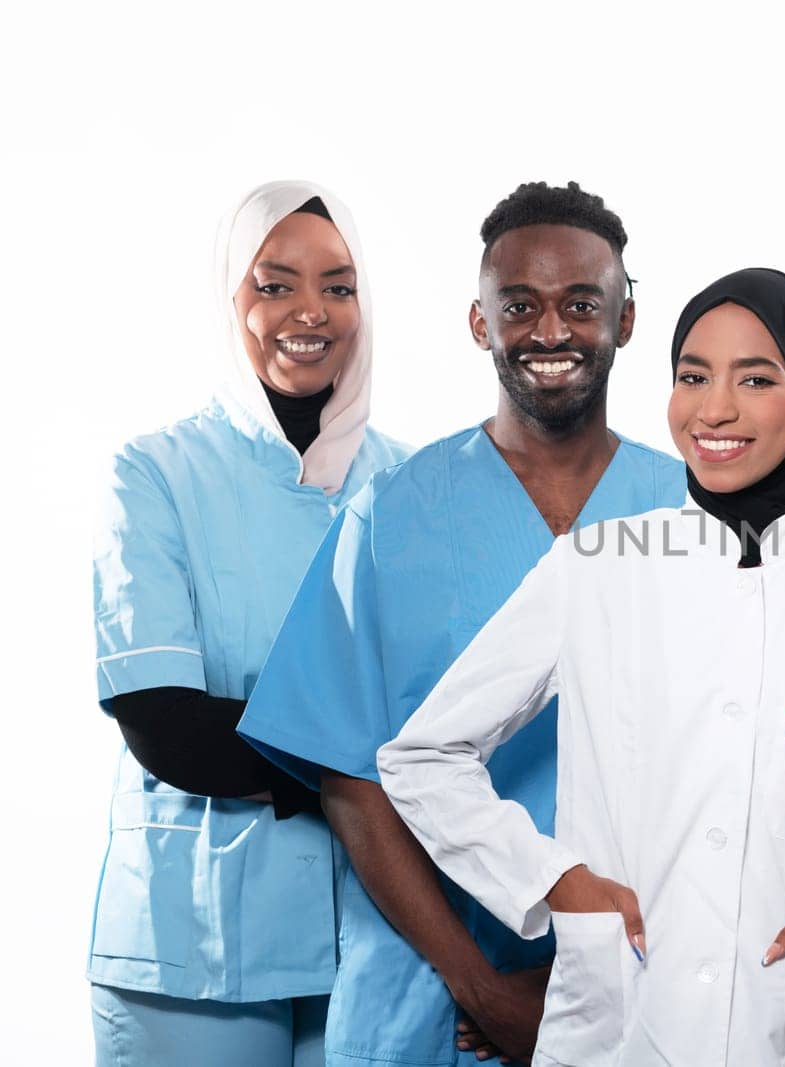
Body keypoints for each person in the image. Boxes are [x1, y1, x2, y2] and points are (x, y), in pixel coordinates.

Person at [376, 267, 785, 1067]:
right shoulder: (595, 569)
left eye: (756, 378)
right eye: (693, 376)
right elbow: (422, 756)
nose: (714, 409)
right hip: (616, 1030)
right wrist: (553, 880)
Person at [238, 181, 686, 1067]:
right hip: (427, 999)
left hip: (651, 986)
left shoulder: (693, 515)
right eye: (519, 305)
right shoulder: (391, 515)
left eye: (580, 304)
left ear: (626, 320)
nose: (550, 332)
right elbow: (350, 780)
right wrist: (481, 984)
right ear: (480, 324)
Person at [90, 180, 410, 1066]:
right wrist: (381, 768)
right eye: (274, 285)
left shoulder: (415, 485)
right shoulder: (156, 473)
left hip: (380, 934)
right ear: (231, 296)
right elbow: (169, 726)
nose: (311, 311)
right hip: (192, 945)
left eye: (338, 286)